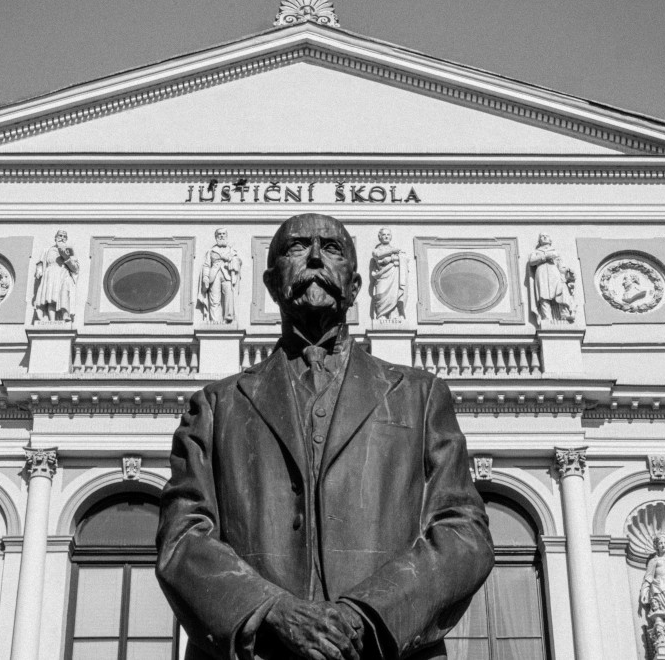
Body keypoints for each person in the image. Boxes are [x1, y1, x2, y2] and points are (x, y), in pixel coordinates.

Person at [157, 213, 493, 660]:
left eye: (332, 248)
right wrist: (271, 611)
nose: (315, 257)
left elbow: (463, 532)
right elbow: (182, 537)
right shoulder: (217, 406)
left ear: (355, 286)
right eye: (297, 247)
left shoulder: (420, 395)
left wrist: (368, 615)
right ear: (271, 283)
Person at [528, 233, 575, 324]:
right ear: (539, 240)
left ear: (550, 240)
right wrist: (545, 257)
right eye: (542, 236)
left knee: (560, 291)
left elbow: (561, 267)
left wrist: (568, 272)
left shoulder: (555, 252)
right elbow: (531, 261)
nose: (544, 237)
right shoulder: (536, 252)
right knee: (543, 295)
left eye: (547, 236)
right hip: (541, 273)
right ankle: (546, 317)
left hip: (554, 273)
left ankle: (564, 314)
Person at [33, 230, 80, 321]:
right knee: (50, 297)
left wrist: (66, 257)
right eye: (60, 236)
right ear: (55, 238)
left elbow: (75, 268)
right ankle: (52, 320)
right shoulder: (47, 250)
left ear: (66, 239)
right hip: (50, 274)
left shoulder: (69, 251)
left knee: (65, 292)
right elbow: (41, 262)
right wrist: (39, 270)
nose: (62, 238)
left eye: (64, 236)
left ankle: (65, 315)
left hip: (64, 273)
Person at [199, 228, 243, 323]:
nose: (221, 236)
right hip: (214, 275)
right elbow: (206, 265)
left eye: (223, 234)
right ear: (216, 237)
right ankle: (215, 320)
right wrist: (205, 276)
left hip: (227, 275)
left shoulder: (231, 250)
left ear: (226, 236)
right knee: (214, 298)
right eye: (219, 234)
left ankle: (228, 318)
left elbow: (238, 261)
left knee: (229, 296)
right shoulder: (211, 251)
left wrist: (231, 260)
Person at [369, 227, 408, 320]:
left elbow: (405, 258)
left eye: (388, 235)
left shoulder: (396, 250)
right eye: (384, 235)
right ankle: (381, 314)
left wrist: (390, 258)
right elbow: (377, 256)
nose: (386, 236)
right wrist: (391, 253)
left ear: (391, 237)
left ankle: (393, 314)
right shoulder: (377, 250)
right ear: (380, 237)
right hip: (382, 276)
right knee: (381, 294)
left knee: (394, 295)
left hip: (394, 275)